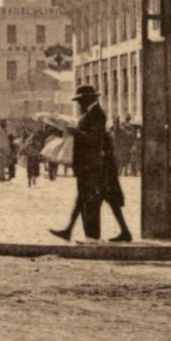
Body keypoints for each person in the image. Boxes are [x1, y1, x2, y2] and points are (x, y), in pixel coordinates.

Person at [51, 86, 106, 241]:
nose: (79, 104)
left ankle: (93, 236)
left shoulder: (97, 114)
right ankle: (71, 231)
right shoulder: (88, 114)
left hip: (91, 163)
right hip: (84, 163)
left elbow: (94, 138)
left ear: (89, 99)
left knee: (90, 200)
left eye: (81, 101)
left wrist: (75, 132)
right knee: (83, 198)